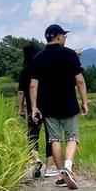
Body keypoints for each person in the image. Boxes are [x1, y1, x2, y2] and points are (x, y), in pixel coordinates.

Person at [29, 24, 88, 191]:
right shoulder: (70, 54)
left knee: (54, 140)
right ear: (58, 37)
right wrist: (85, 102)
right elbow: (80, 80)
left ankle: (62, 176)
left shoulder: (38, 58)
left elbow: (33, 85)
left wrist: (34, 107)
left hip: (48, 106)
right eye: (64, 35)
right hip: (69, 103)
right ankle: (68, 167)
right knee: (72, 138)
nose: (65, 38)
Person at [17, 44, 57, 178]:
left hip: (33, 108)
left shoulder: (25, 71)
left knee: (32, 135)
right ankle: (49, 168)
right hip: (48, 106)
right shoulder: (44, 68)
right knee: (50, 136)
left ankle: (36, 160)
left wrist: (20, 108)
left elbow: (21, 92)